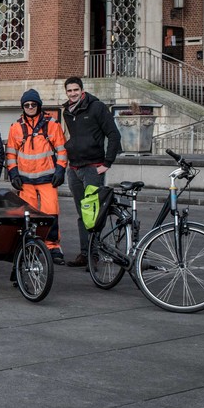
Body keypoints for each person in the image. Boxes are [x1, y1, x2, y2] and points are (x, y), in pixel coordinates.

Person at [61, 77, 122, 267]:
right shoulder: (67, 112)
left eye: (75, 90)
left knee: (93, 213)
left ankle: (94, 255)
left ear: (82, 90)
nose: (73, 93)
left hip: (93, 168)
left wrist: (107, 163)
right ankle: (84, 253)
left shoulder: (97, 107)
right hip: (75, 168)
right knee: (82, 213)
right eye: (69, 91)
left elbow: (114, 134)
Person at [6, 89, 68, 265]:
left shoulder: (52, 124)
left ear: (39, 105)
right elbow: (10, 153)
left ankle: (53, 246)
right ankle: (31, 245)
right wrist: (13, 173)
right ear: (23, 107)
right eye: (27, 105)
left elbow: (62, 150)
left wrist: (60, 170)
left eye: (33, 104)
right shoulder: (16, 127)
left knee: (51, 214)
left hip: (48, 179)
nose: (30, 107)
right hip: (25, 181)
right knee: (29, 216)